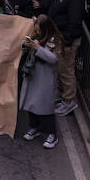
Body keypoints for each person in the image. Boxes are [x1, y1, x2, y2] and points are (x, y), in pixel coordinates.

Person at [19, 14, 62, 149]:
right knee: (31, 105)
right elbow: (26, 50)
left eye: (39, 30)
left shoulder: (55, 39)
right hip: (32, 76)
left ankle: (52, 135)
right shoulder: (36, 37)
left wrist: (38, 48)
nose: (37, 32)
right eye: (36, 29)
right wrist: (26, 45)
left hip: (45, 79)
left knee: (45, 108)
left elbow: (53, 59)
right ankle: (34, 127)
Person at [48, 0, 85, 116]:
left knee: (66, 70)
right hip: (58, 36)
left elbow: (75, 21)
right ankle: (62, 95)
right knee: (59, 68)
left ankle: (69, 101)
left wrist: (68, 43)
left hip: (66, 39)